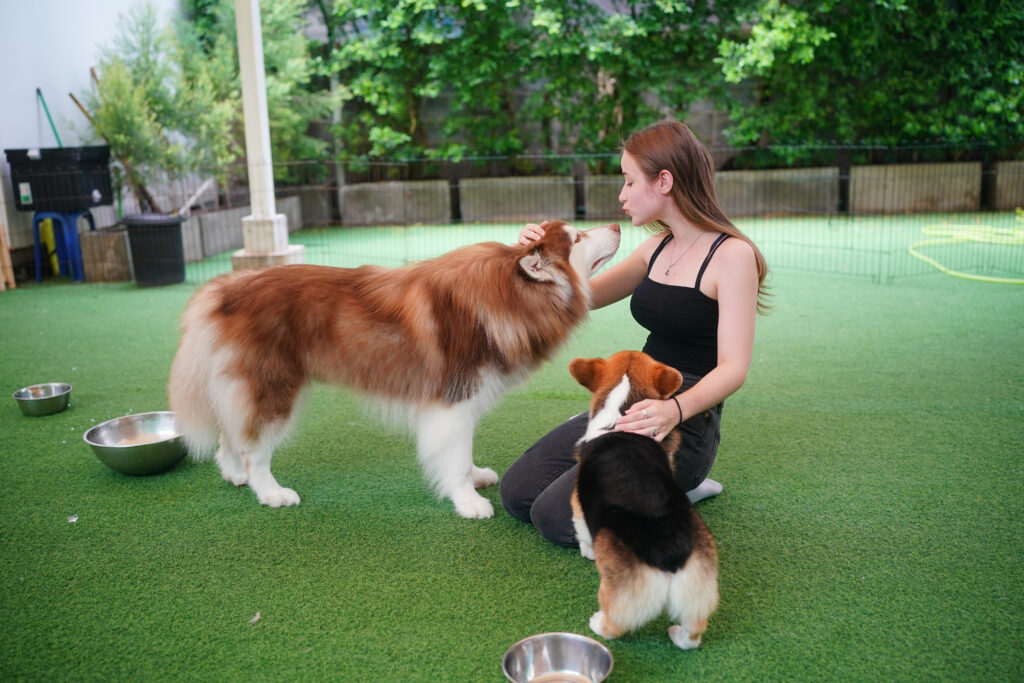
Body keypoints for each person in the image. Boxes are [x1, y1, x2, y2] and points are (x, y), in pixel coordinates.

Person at [499, 120, 769, 548]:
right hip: (629, 399)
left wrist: (673, 411)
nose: (622, 195)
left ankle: (680, 487)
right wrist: (536, 254)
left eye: (628, 182)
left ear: (664, 181)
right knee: (516, 495)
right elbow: (575, 298)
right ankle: (651, 483)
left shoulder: (733, 256)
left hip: (683, 422)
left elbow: (734, 368)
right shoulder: (655, 247)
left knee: (553, 518)